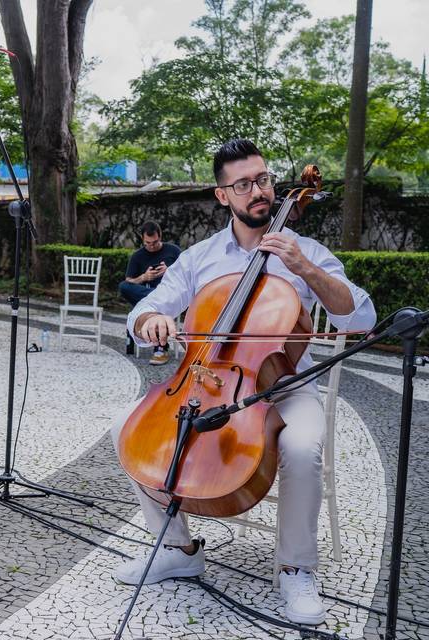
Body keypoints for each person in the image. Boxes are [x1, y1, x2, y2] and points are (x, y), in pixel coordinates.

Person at [110, 139, 376, 625]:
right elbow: (144, 311)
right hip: (206, 379)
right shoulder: (200, 257)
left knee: (302, 446)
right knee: (127, 429)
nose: (258, 191)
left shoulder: (307, 251)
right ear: (221, 195)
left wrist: (305, 269)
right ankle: (178, 549)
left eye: (264, 180)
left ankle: (296, 567)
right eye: (244, 184)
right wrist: (149, 321)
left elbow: (360, 315)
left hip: (286, 386)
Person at [118, 220, 181, 364]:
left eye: (155, 242)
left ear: (160, 236)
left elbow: (187, 277)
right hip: (149, 298)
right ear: (142, 239)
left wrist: (169, 271)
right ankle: (160, 349)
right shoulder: (137, 256)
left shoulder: (174, 251)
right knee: (123, 286)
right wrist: (144, 277)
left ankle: (160, 348)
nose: (151, 246)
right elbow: (129, 280)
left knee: (162, 303)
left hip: (171, 295)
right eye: (148, 243)